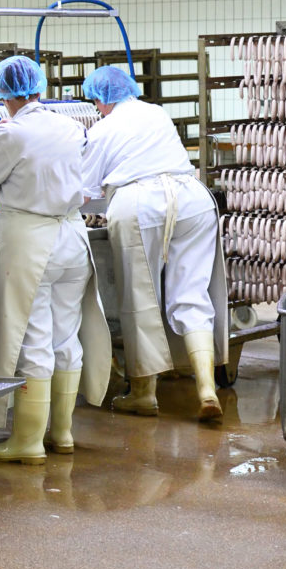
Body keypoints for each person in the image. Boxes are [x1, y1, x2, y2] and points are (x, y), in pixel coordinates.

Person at [0, 56, 110, 463]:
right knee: (66, 336)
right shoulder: (72, 126)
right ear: (40, 87)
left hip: (31, 244)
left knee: (32, 339)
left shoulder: (11, 134)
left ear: (3, 94)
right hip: (72, 239)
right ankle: (61, 433)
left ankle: (27, 441)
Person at [80, 66, 228, 421]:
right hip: (191, 198)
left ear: (101, 99)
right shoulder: (156, 112)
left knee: (140, 298)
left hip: (140, 203)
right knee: (192, 293)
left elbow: (84, 192)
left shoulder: (101, 130)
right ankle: (207, 388)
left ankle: (144, 393)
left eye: (95, 102)